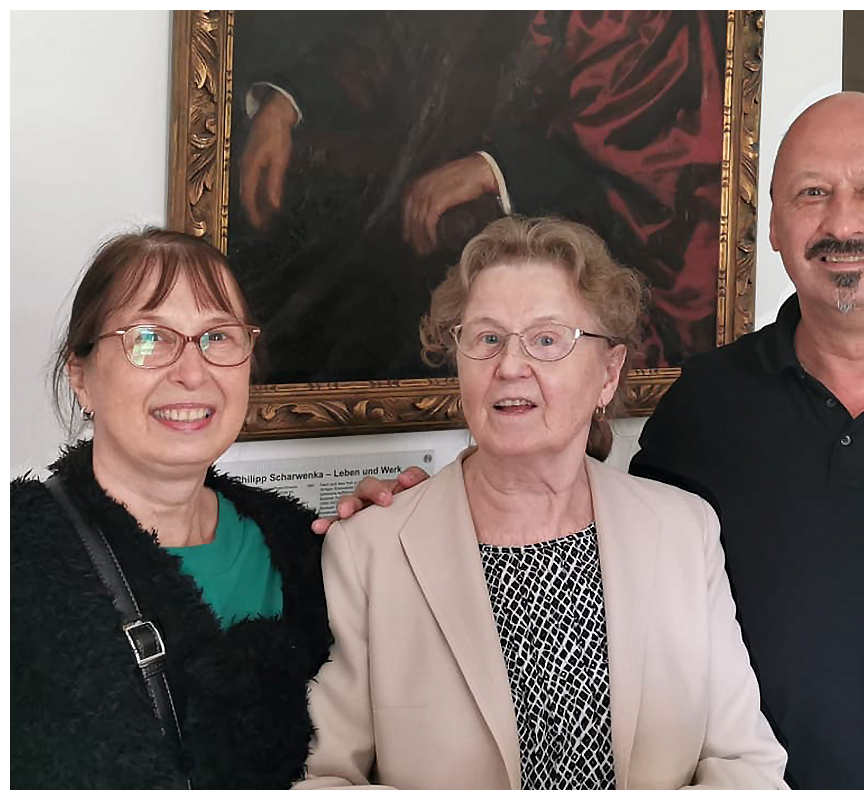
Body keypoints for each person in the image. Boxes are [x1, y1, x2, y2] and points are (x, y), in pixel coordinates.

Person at [328, 93, 864, 789]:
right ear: (774, 226)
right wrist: (415, 516)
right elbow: (581, 505)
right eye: (812, 194)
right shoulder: (708, 404)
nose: (842, 221)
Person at [297, 216, 786, 789]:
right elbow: (321, 779)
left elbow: (747, 766)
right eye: (487, 339)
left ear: (608, 373)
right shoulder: (368, 549)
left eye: (547, 339)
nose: (509, 366)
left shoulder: (684, 529)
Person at [233, 10, 725, 380]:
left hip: (567, 259)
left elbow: (644, 145)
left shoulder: (640, 18)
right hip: (412, 245)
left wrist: (497, 168)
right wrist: (287, 102)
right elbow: (396, 41)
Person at [10, 229, 331, 789]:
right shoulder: (20, 553)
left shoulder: (311, 550)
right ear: (81, 377)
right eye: (150, 338)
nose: (192, 372)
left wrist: (397, 527)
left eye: (218, 337)